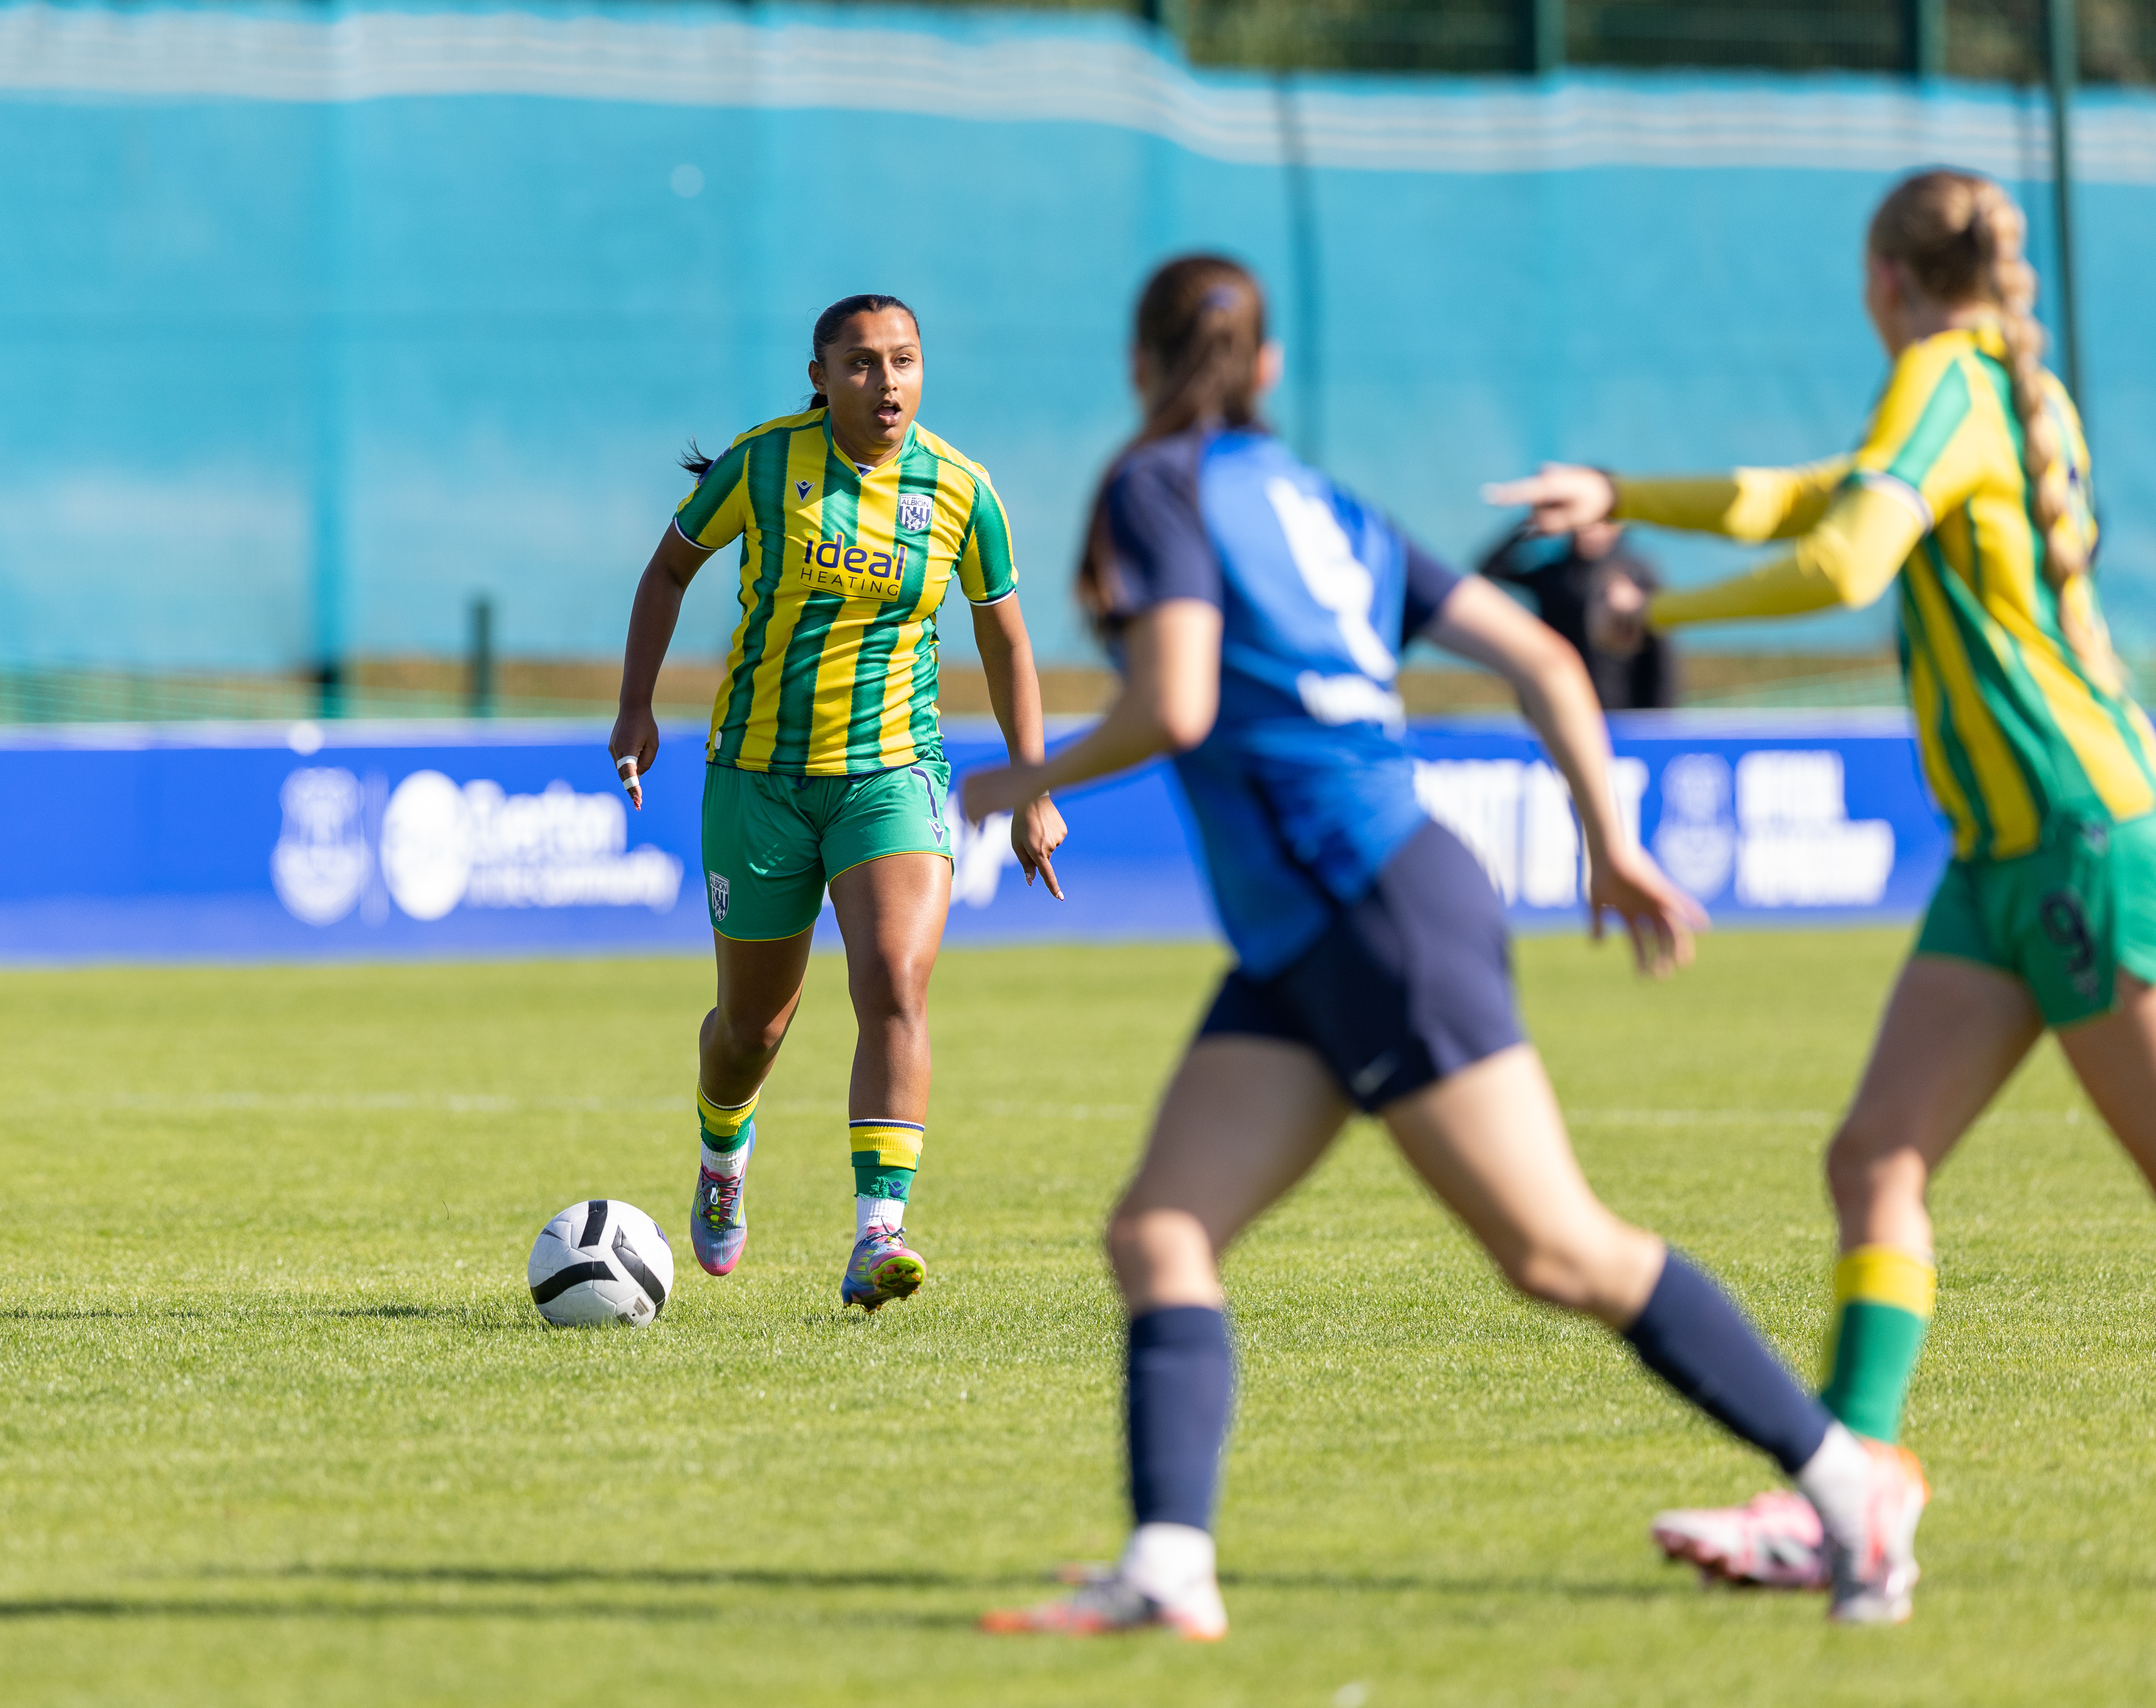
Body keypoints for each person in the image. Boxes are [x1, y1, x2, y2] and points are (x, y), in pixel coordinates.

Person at [963, 254, 1925, 1640]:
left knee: (1561, 1251)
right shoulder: (1320, 501)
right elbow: (1540, 653)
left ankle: (1847, 1482)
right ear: (1270, 369)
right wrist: (1612, 835)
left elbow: (1175, 704)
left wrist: (1003, 781)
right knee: (1161, 1228)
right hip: (1327, 925)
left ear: (1138, 363)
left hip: (1369, 907)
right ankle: (1169, 1566)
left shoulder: (1156, 488)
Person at [1489, 167, 2156, 1599]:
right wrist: (1627, 495)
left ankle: (1850, 1481)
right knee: (1873, 1160)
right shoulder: (1982, 379)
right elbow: (1818, 494)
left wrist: (1655, 604)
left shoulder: (1940, 371)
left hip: (2078, 838)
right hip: (2006, 857)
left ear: (1884, 275)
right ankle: (1856, 1488)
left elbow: (1850, 552)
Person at [608, 294, 1067, 1311]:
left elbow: (1005, 640)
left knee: (895, 984)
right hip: (758, 780)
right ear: (819, 376)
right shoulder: (763, 464)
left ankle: (878, 1234)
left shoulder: (959, 489)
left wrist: (1034, 784)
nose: (886, 382)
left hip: (894, 775)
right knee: (750, 1032)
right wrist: (636, 708)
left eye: (903, 360)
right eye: (860, 364)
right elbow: (668, 570)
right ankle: (724, 1150)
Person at [1478, 518, 1679, 710]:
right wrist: (1529, 526)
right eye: (1581, 525)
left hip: (1623, 705)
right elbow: (1492, 570)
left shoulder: (1637, 576)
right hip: (1561, 701)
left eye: (1596, 524)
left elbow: (1661, 651)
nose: (1587, 532)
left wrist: (1661, 714)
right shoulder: (1555, 575)